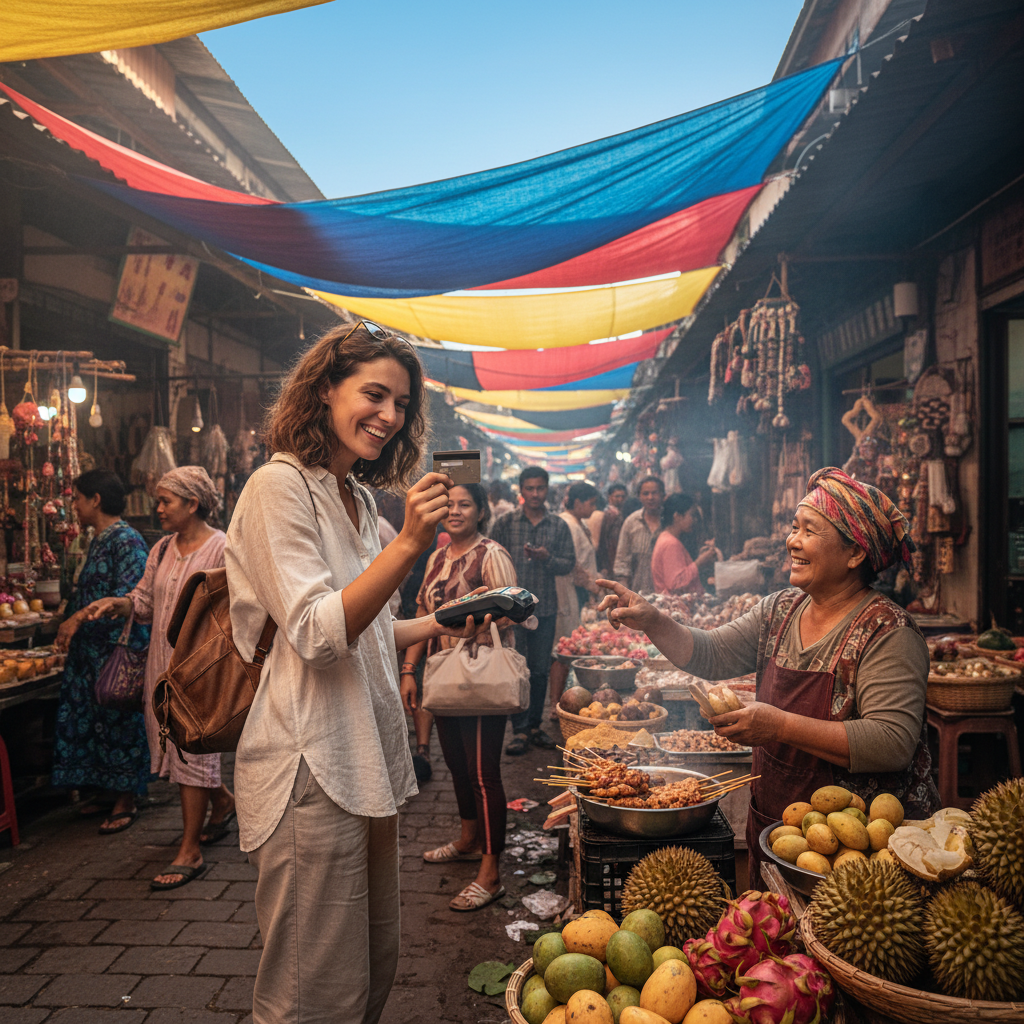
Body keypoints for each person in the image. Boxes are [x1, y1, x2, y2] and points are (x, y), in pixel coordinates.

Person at [223, 320, 497, 1024]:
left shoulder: (356, 497)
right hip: (309, 765)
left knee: (368, 978)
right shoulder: (275, 489)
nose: (389, 416)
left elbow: (364, 632)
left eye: (402, 404)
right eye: (373, 394)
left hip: (363, 760)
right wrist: (409, 545)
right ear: (323, 390)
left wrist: (441, 621)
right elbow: (317, 635)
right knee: (310, 998)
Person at [598, 467, 940, 883]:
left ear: (855, 554)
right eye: (793, 527)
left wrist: (777, 724)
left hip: (858, 854)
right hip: (780, 827)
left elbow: (892, 742)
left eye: (808, 531)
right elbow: (711, 652)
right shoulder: (780, 610)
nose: (791, 541)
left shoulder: (888, 632)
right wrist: (653, 620)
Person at [80, 467, 236, 889]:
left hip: (202, 669)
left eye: (167, 501)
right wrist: (120, 603)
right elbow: (145, 601)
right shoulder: (162, 548)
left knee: (193, 754)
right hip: (161, 666)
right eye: (159, 499)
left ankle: (190, 851)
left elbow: (235, 609)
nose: (159, 508)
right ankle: (222, 803)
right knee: (181, 751)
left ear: (193, 504)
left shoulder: (222, 548)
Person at [403, 482, 517, 911]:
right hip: (442, 675)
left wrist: (477, 621)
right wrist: (409, 669)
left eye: (464, 504)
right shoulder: (436, 556)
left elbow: (511, 614)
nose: (454, 512)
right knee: (455, 764)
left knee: (484, 772)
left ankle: (490, 875)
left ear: (481, 511)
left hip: (481, 677)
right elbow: (421, 615)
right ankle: (469, 838)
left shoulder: (492, 555)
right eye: (448, 505)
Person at [52, 470, 151, 834]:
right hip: (90, 655)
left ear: (95, 499)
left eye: (77, 498)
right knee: (93, 722)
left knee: (118, 721)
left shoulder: (126, 540)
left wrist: (76, 619)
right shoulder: (97, 539)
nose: (73, 505)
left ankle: (126, 796)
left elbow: (127, 598)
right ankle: (107, 791)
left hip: (115, 652)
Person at [491, 466, 575, 755]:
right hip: (510, 610)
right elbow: (490, 558)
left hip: (545, 609)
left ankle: (536, 725)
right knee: (517, 669)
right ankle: (519, 729)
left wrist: (547, 557)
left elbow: (568, 563)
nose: (536, 493)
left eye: (540, 488)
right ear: (521, 491)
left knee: (539, 670)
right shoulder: (504, 523)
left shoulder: (557, 525)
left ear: (547, 489)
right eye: (530, 488)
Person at [549, 482, 601, 715]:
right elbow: (574, 564)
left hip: (577, 591)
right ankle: (555, 704)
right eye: (591, 503)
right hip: (568, 591)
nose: (593, 508)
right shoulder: (568, 524)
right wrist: (594, 585)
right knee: (563, 649)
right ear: (578, 502)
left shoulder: (577, 523)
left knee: (568, 646)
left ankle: (563, 700)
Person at [651, 493, 716, 596]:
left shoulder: (666, 539)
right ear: (677, 516)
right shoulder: (670, 543)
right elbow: (676, 583)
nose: (694, 520)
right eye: (692, 515)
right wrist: (700, 562)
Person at [613, 475, 665, 594]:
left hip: (668, 597)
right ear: (639, 497)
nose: (650, 498)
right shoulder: (631, 523)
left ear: (663, 495)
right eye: (645, 494)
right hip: (638, 594)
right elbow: (621, 562)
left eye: (655, 493)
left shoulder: (670, 521)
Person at [595, 483, 627, 576]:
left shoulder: (620, 514)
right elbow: (603, 540)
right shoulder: (609, 515)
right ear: (609, 497)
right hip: (610, 559)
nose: (620, 499)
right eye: (617, 496)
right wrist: (604, 564)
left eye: (623, 496)